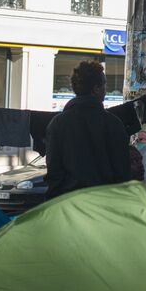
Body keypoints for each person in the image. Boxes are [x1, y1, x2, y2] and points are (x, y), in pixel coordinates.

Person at [43, 60, 131, 197]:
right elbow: (123, 171)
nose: (105, 90)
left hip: (69, 203)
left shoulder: (58, 123)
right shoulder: (112, 123)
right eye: (104, 85)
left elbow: (54, 171)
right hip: (104, 203)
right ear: (96, 89)